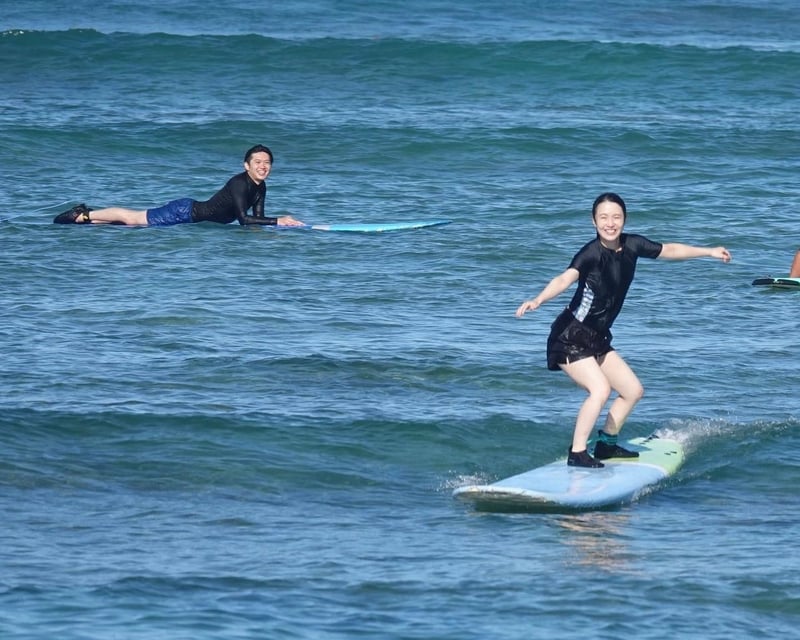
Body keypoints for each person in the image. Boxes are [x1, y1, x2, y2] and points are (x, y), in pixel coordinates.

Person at [515, 192, 731, 468]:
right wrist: (538, 300)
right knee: (600, 390)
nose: (610, 223)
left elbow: (670, 250)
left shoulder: (633, 245)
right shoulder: (590, 253)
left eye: (616, 217)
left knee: (632, 391)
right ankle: (577, 452)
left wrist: (709, 252)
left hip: (597, 338)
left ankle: (606, 445)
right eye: (603, 217)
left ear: (624, 219)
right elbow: (565, 278)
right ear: (593, 221)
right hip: (569, 336)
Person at [53, 144, 305, 227]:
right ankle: (83, 214)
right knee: (133, 219)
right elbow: (243, 219)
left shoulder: (260, 187)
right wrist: (279, 221)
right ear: (246, 165)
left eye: (267, 163)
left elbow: (256, 221)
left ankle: (88, 222)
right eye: (258, 162)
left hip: (190, 218)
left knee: (129, 227)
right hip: (184, 212)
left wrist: (278, 232)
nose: (263, 166)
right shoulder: (240, 183)